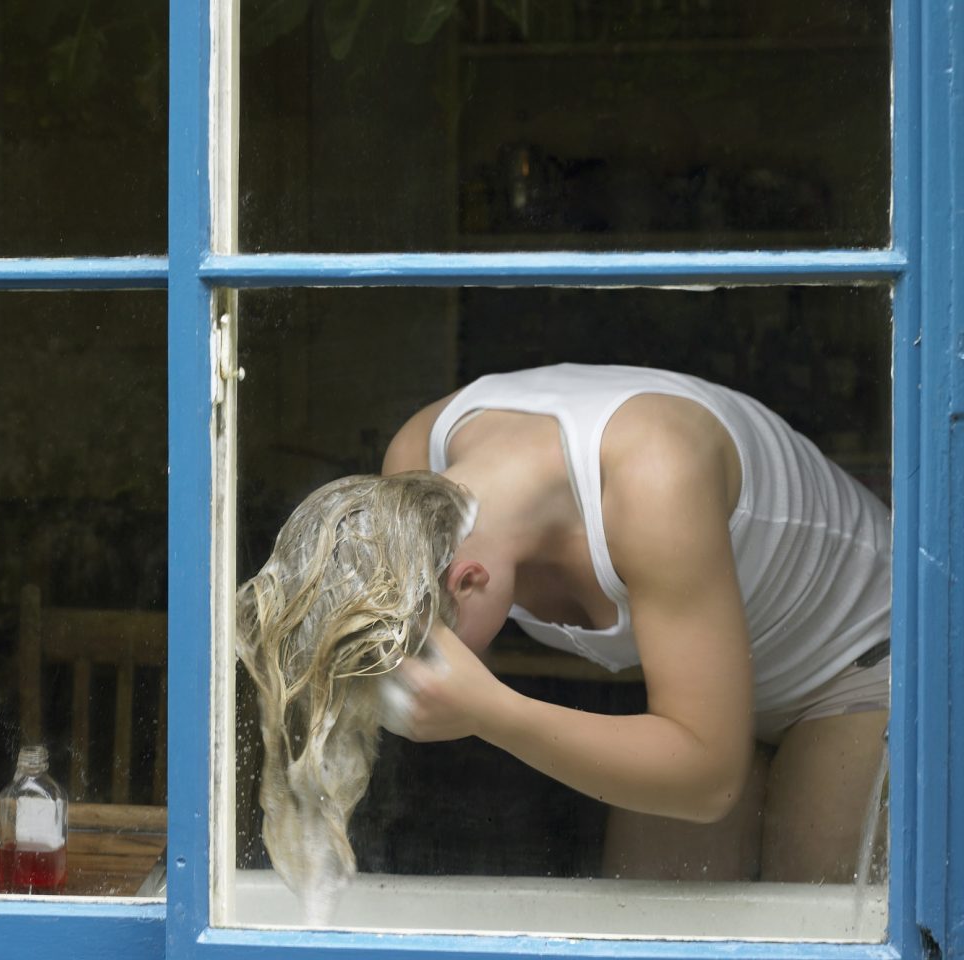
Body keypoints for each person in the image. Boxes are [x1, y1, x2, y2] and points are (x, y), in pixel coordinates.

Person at [237, 363, 889, 899]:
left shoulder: (651, 480)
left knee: (819, 912)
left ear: (467, 580)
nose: (410, 676)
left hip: (857, 657)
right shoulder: (416, 464)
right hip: (706, 690)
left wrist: (492, 712)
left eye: (420, 654)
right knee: (649, 924)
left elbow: (707, 780)